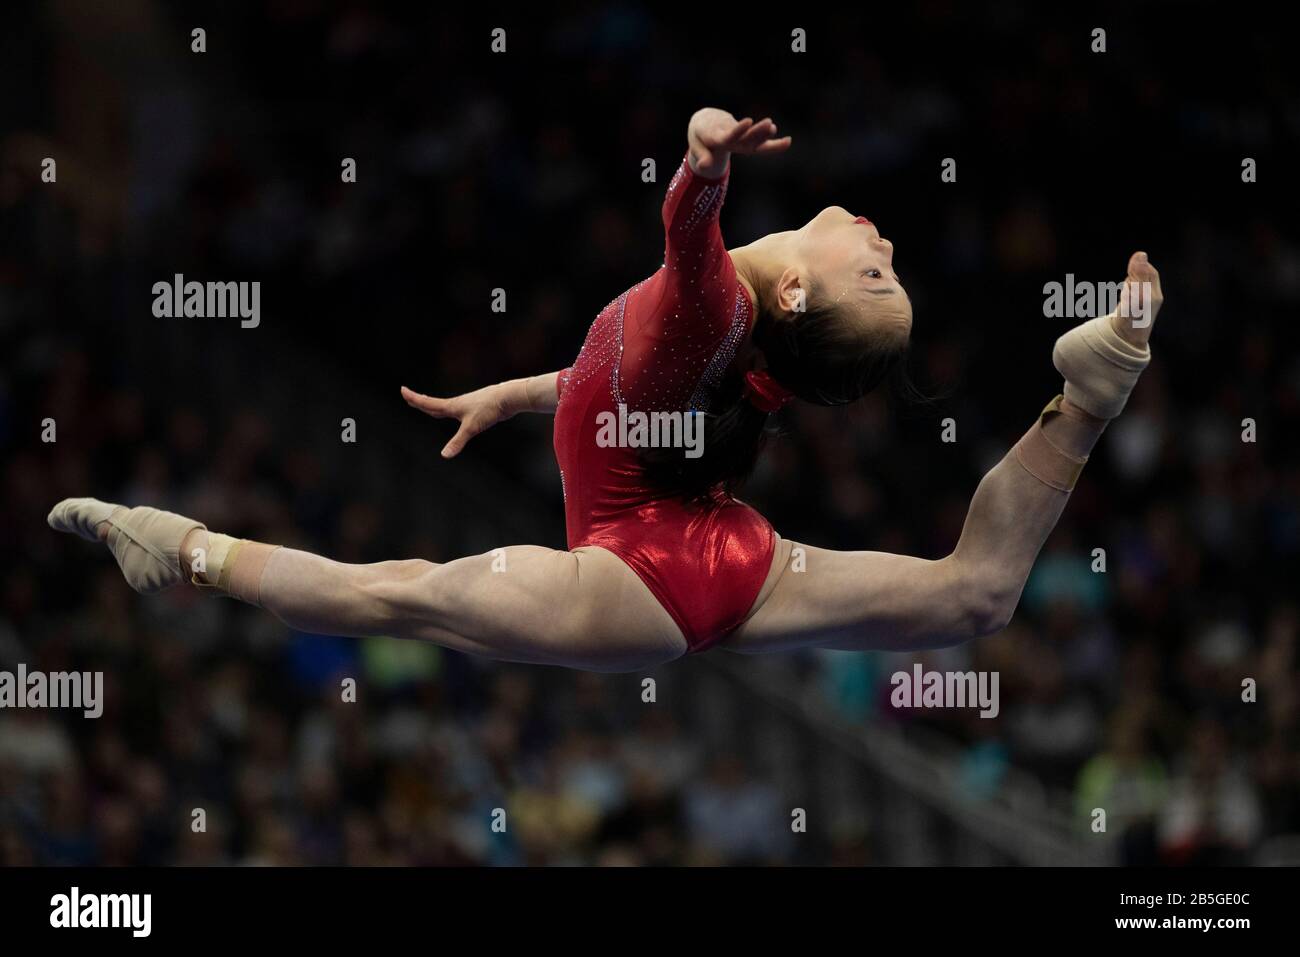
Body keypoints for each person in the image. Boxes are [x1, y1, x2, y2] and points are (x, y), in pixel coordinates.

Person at [48, 107, 1164, 673]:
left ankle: (174, 544)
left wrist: (704, 158)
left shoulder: (715, 300)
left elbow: (684, 231)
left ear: (792, 298)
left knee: (402, 595)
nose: (881, 245)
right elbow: (636, 398)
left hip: (643, 569)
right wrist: (528, 394)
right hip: (720, 551)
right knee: (973, 596)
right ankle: (1091, 395)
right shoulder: (736, 349)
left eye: (876, 277)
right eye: (889, 272)